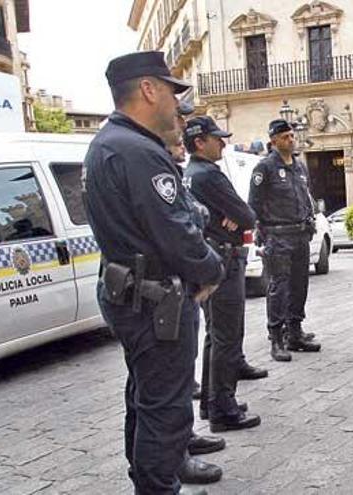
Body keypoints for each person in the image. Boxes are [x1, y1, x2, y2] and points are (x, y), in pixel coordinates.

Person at [83, 51, 225, 494]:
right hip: (157, 301)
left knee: (145, 399)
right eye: (170, 91)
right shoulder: (139, 151)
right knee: (165, 410)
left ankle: (145, 478)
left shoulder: (108, 143)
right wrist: (212, 268)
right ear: (148, 89)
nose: (174, 104)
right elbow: (177, 232)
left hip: (132, 294)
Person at [183, 116, 263, 434]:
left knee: (214, 336)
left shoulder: (189, 174)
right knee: (227, 337)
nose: (223, 143)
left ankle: (210, 402)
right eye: (217, 138)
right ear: (200, 142)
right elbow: (247, 215)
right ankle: (223, 408)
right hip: (223, 261)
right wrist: (234, 217)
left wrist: (232, 217)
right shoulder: (208, 176)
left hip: (210, 256)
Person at [164, 132, 226, 487]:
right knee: (165, 388)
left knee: (180, 379)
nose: (180, 135)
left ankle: (182, 442)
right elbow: (178, 227)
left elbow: (197, 215)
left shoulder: (170, 167)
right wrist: (211, 269)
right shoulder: (142, 158)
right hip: (163, 289)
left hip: (177, 286)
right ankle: (167, 470)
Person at [249, 119, 321, 362]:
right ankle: (276, 338)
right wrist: (262, 233)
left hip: (300, 234)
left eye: (292, 135)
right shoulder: (265, 168)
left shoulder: (300, 167)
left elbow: (305, 197)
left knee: (300, 285)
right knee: (279, 287)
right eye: (286, 137)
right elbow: (254, 205)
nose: (291, 140)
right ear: (274, 141)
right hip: (278, 237)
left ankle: (295, 332)